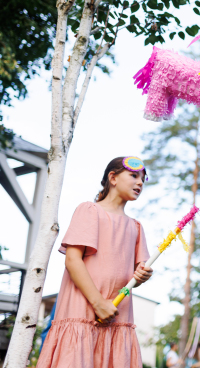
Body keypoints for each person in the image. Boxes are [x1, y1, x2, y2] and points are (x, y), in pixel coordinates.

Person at [37, 156, 154, 368]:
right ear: (113, 177)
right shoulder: (90, 211)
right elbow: (73, 260)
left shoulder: (136, 227)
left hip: (117, 317)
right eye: (134, 176)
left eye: (143, 180)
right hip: (82, 310)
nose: (140, 183)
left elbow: (137, 273)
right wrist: (99, 304)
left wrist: (143, 275)